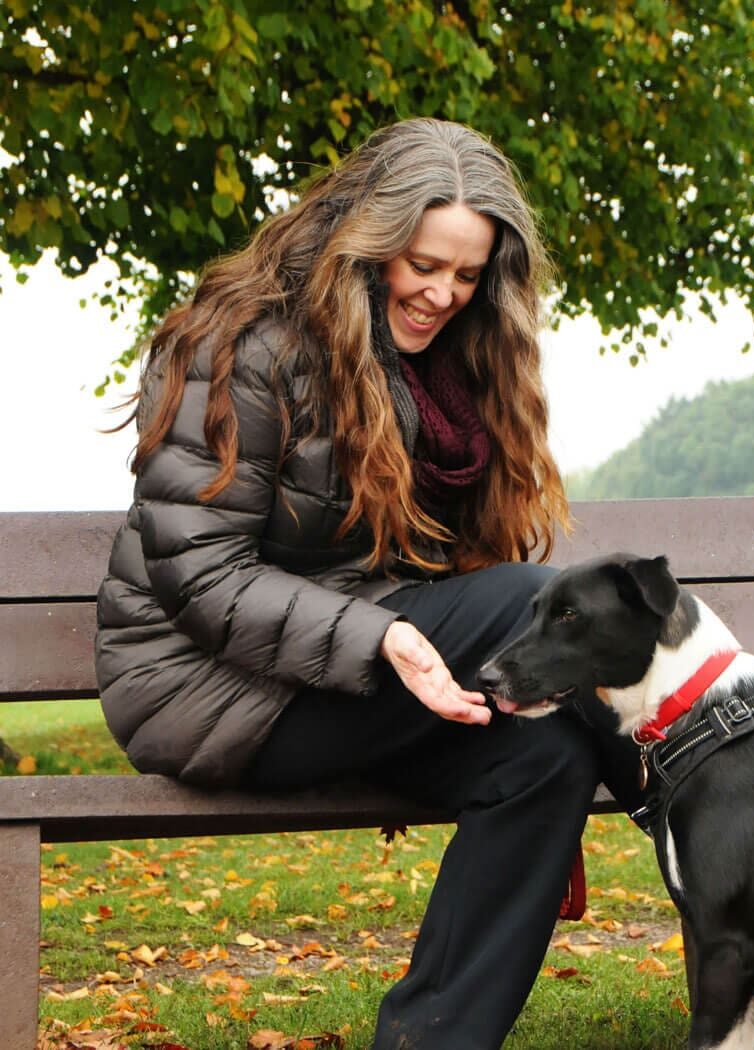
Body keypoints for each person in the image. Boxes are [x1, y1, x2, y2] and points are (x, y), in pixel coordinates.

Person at [95, 118, 643, 1049]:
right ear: (365, 238)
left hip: (347, 677)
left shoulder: (449, 368)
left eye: (467, 277)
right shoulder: (238, 344)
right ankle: (725, 798)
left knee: (545, 759)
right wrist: (378, 637)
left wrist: (399, 636)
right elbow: (197, 570)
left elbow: (424, 564)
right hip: (206, 684)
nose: (442, 294)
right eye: (423, 264)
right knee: (528, 604)